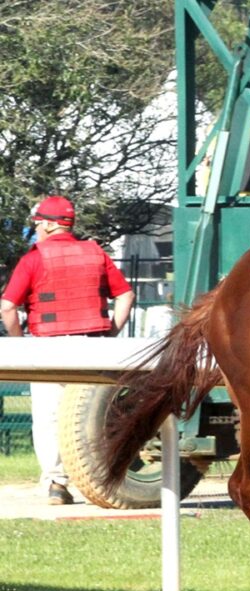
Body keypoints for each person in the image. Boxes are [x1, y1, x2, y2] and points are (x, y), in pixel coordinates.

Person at [0, 196, 135, 504]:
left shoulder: (34, 258)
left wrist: (20, 345)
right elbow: (126, 295)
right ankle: (103, 480)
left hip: (49, 348)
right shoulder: (95, 253)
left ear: (48, 224)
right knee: (93, 418)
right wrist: (111, 333)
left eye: (37, 223)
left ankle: (56, 484)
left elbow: (8, 307)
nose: (36, 229)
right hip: (92, 346)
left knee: (49, 417)